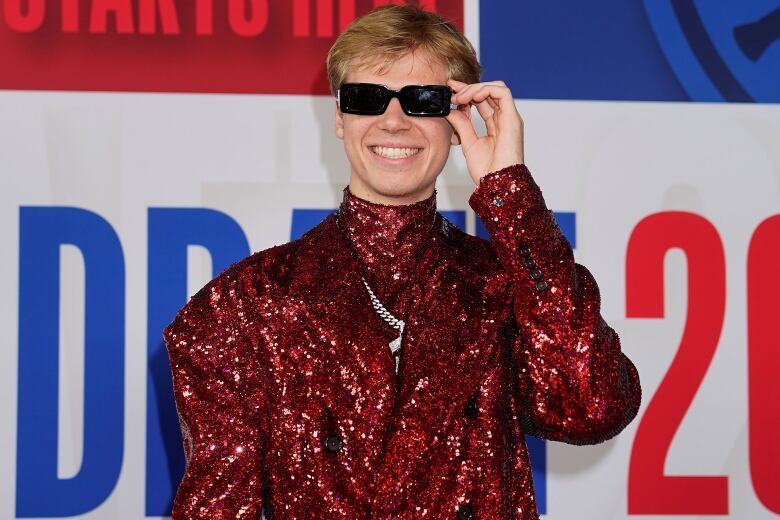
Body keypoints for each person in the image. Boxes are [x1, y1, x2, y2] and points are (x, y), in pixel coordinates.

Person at [163, 5, 641, 519]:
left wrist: (513, 198)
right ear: (340, 120)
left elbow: (591, 409)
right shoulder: (242, 306)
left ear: (458, 121)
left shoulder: (504, 286)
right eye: (367, 98)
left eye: (423, 100)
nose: (393, 120)